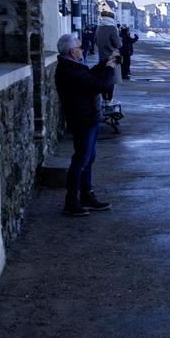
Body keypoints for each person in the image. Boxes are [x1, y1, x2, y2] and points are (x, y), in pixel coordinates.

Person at [55, 32, 117, 217]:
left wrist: (103, 63)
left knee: (88, 159)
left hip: (89, 117)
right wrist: (110, 68)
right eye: (80, 47)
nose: (83, 49)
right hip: (82, 120)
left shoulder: (74, 66)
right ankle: (71, 200)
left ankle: (86, 195)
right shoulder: (70, 71)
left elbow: (89, 77)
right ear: (72, 51)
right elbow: (99, 85)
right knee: (81, 160)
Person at [96, 10, 122, 101]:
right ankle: (109, 100)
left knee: (103, 80)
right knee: (111, 80)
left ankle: (104, 99)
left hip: (101, 58)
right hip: (112, 58)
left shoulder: (99, 28)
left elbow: (96, 41)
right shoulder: (112, 28)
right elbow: (118, 44)